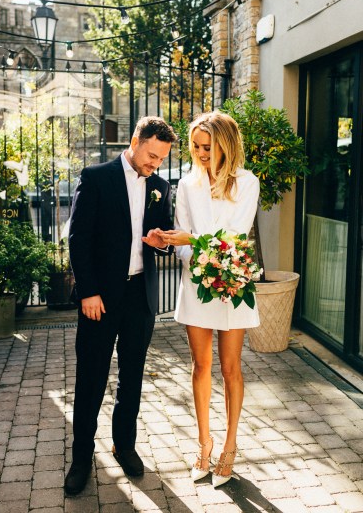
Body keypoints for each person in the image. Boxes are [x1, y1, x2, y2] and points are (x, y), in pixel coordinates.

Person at [65, 116, 176, 496]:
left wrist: (161, 241)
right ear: (134, 141)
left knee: (132, 378)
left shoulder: (160, 187)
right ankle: (81, 458)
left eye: (161, 159)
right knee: (91, 378)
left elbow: (161, 238)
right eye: (151, 155)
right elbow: (78, 238)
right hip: (101, 297)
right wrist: (88, 291)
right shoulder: (96, 177)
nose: (154, 164)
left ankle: (123, 445)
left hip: (139, 298)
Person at [158, 111, 260, 488]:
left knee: (230, 368)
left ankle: (230, 446)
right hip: (198, 284)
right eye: (196, 146)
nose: (200, 153)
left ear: (225, 145)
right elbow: (184, 238)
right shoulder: (187, 185)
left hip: (233, 287)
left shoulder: (248, 183)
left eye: (207, 147)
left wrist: (191, 242)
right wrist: (181, 246)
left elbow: (236, 237)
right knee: (201, 367)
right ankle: (204, 443)